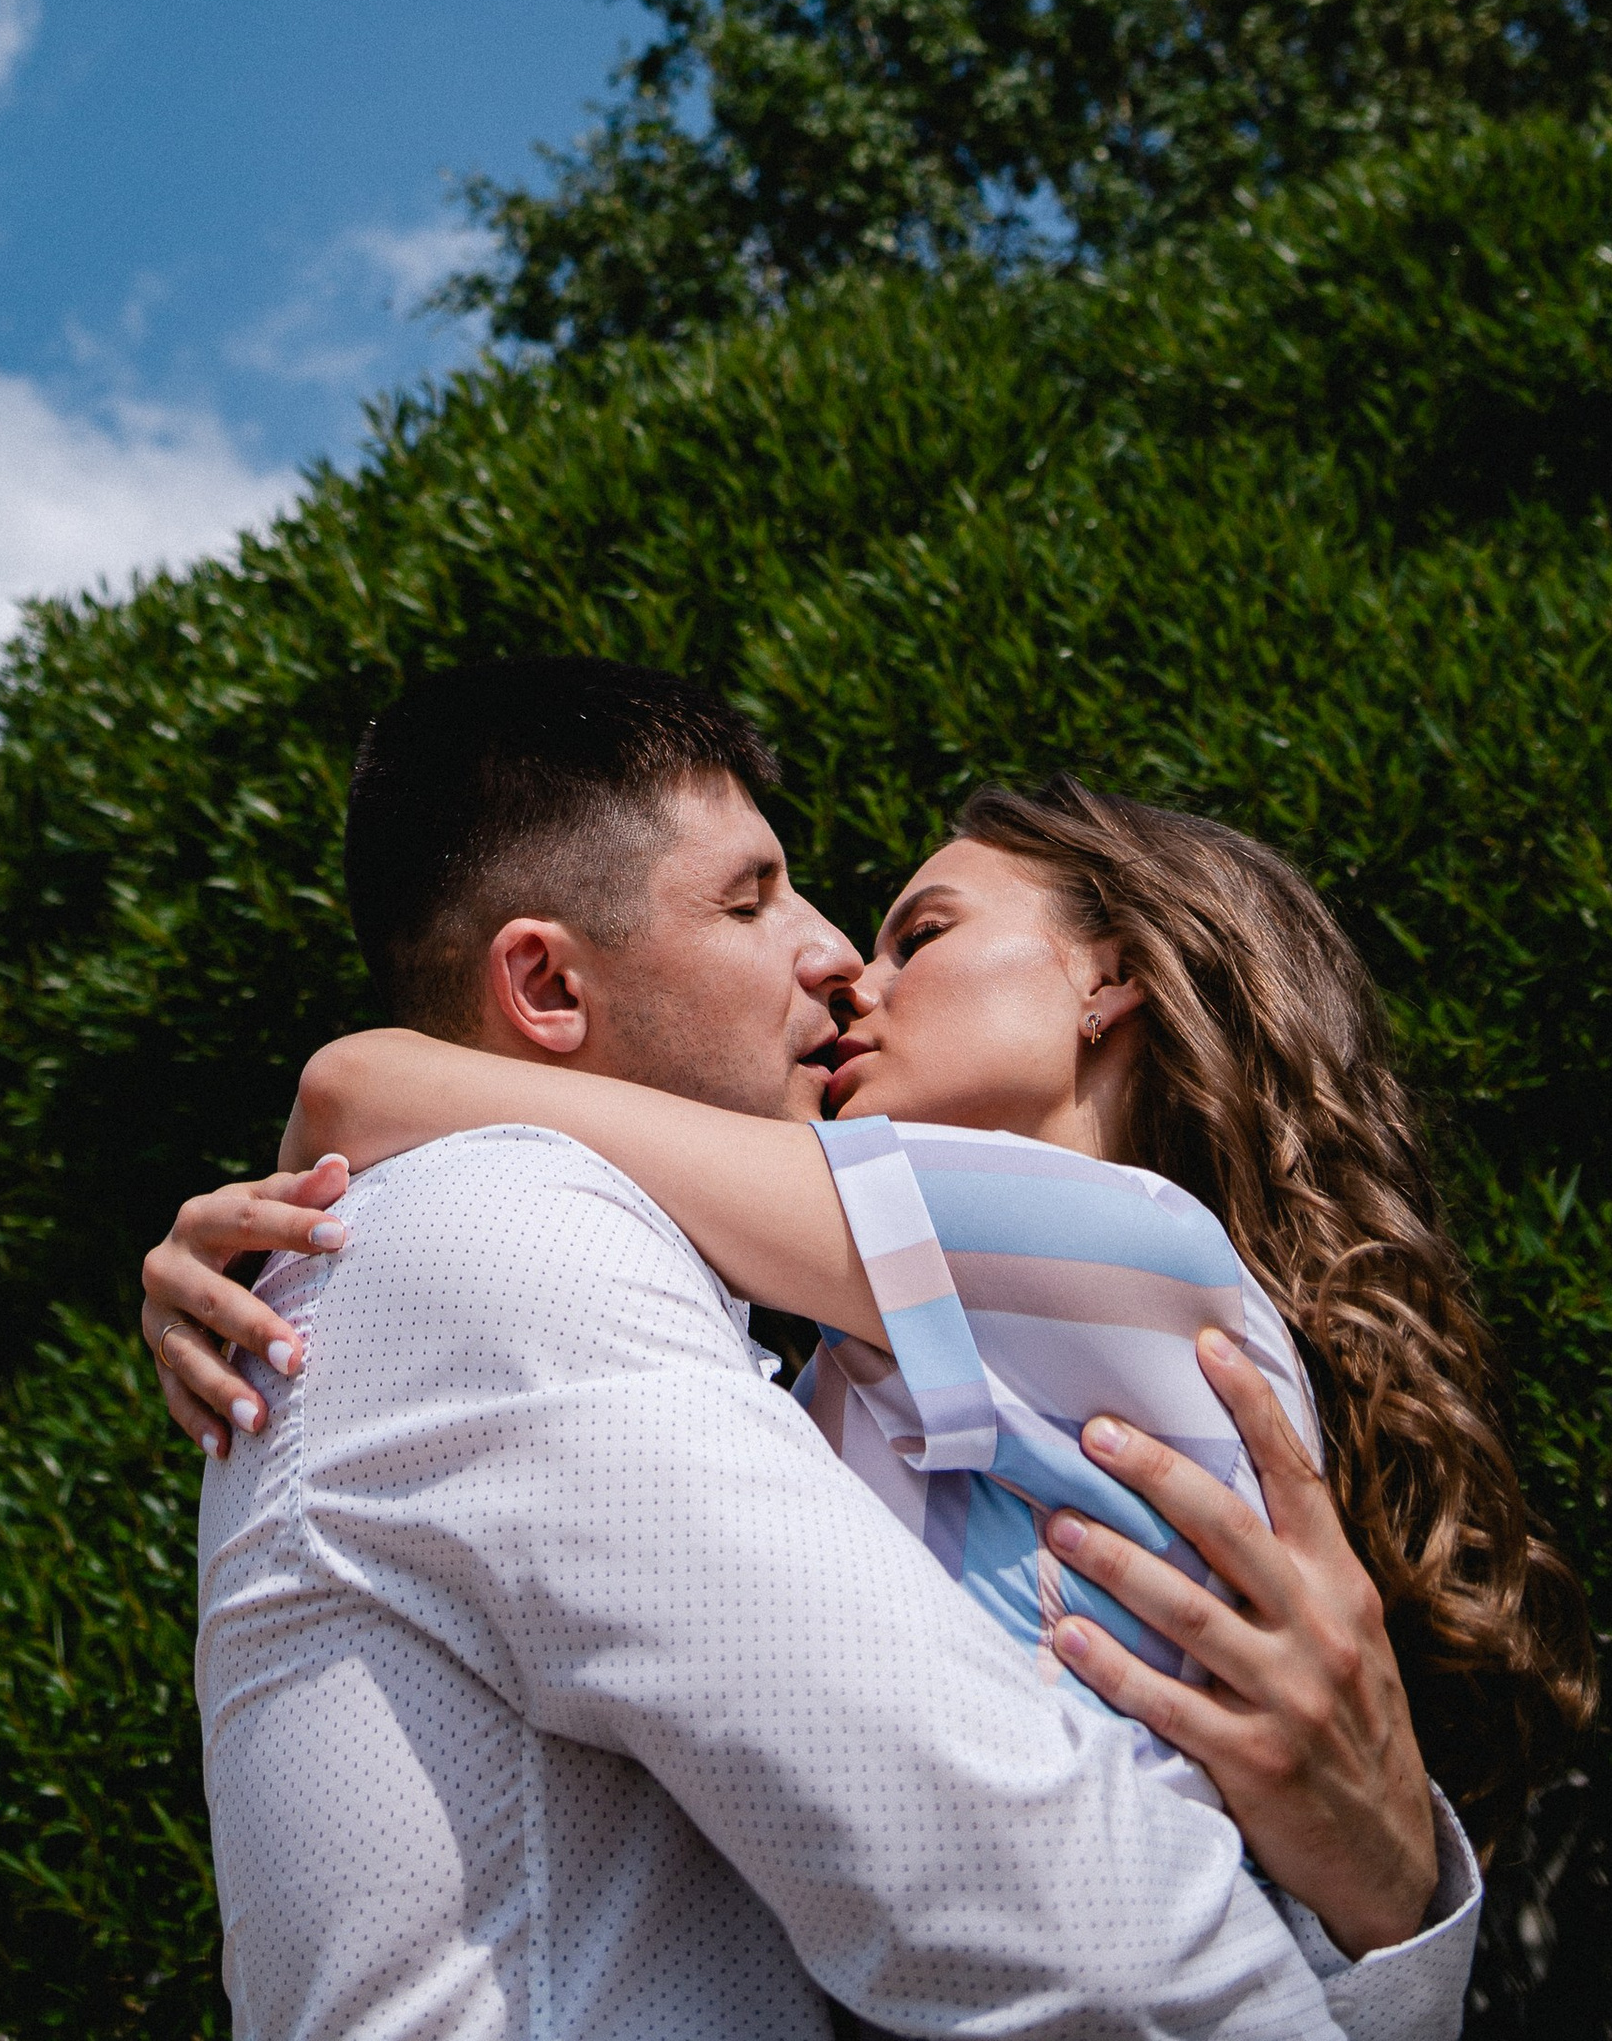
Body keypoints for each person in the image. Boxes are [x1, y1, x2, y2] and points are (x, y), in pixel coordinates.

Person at [146, 659, 1488, 2039]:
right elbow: (1075, 1928)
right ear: (543, 982)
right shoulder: (507, 1230)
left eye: (924, 932)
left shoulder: (1119, 1244)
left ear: (1114, 986)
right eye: (751, 899)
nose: (845, 958)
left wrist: (362, 1085)